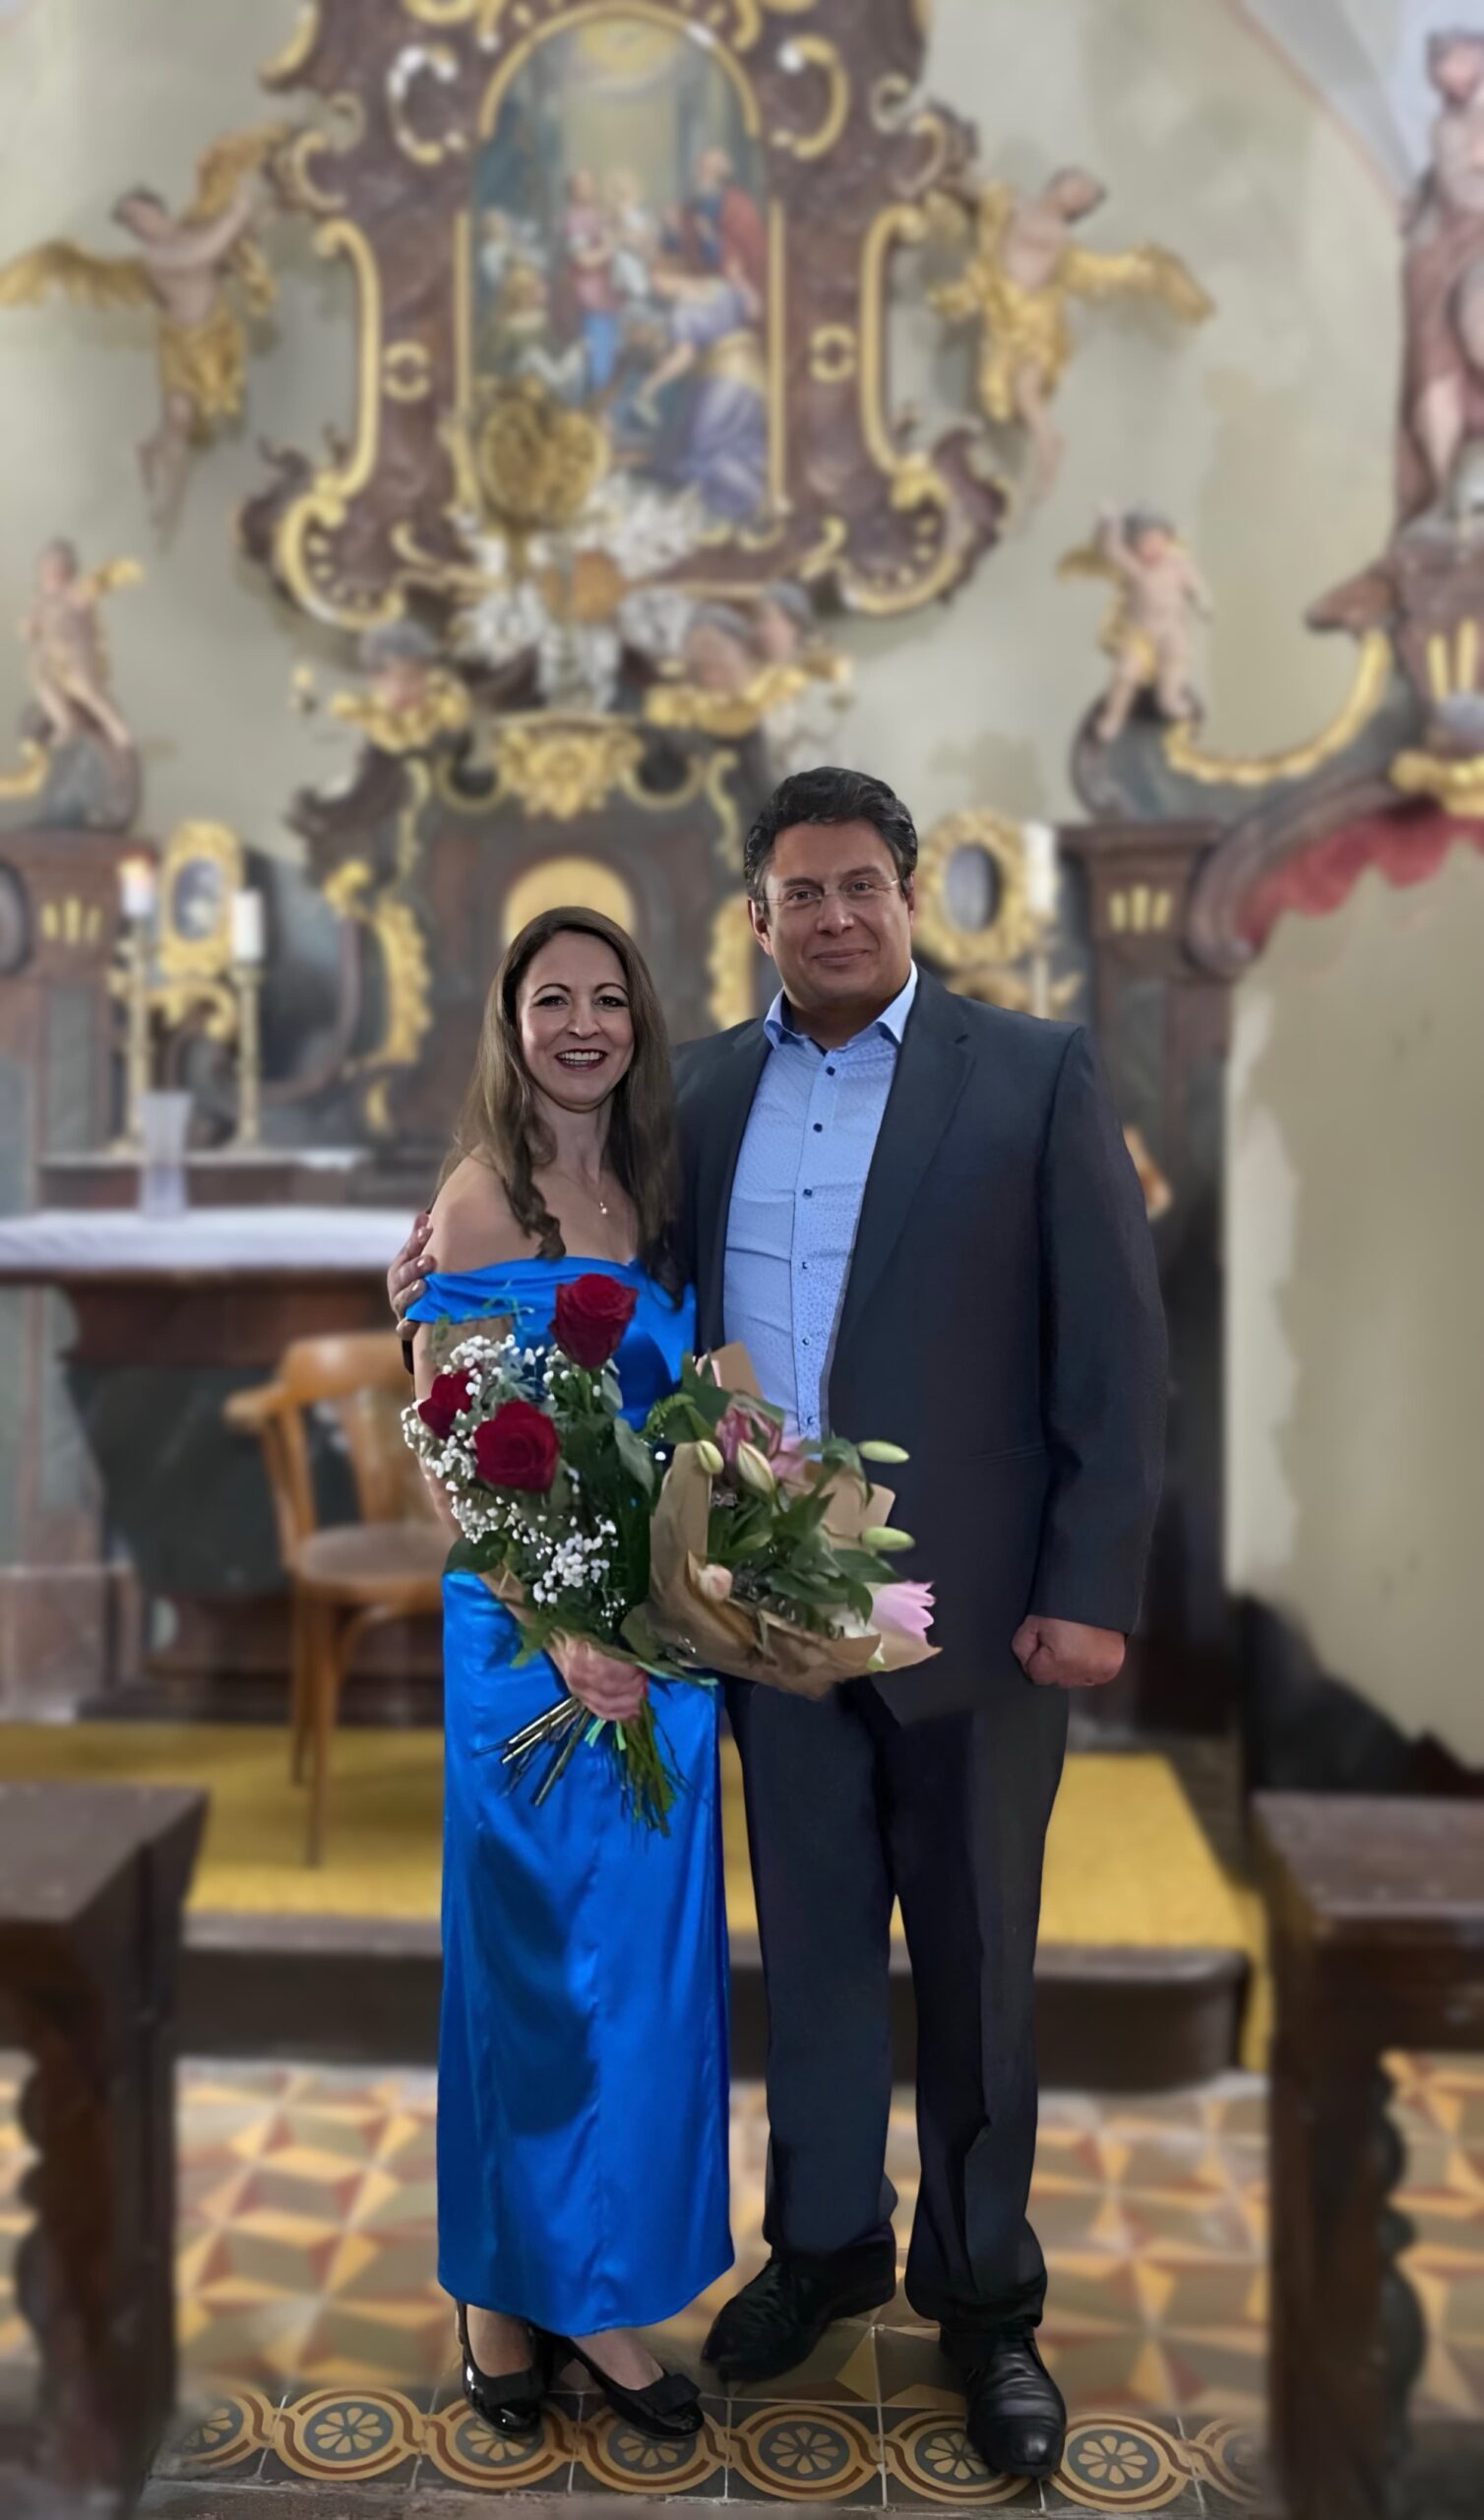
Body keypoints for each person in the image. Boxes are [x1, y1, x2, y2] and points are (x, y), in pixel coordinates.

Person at [390, 768, 1165, 2482]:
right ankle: (823, 2248)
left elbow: (1118, 1344)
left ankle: (987, 2301)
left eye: (859, 884)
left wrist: (1089, 1588)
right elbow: (569, 1300)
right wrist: (422, 1296)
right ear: (755, 918)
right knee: (810, 1955)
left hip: (973, 1616)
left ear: (908, 894)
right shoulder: (702, 1096)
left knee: (977, 1964)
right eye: (799, 892)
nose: (832, 915)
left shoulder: (1028, 1071)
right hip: (753, 1609)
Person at [402, 907, 729, 2443]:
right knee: (532, 1967)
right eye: (554, 1000)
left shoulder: (657, 1198)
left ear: (638, 1023)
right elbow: (451, 1453)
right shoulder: (478, 1203)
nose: (584, 1024)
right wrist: (560, 1626)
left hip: (659, 1645)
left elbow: (690, 1414)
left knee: (643, 1986)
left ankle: (572, 2278)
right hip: (530, 1644)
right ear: (512, 1021)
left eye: (609, 998)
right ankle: (520, 2294)